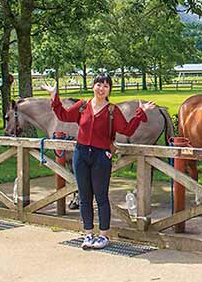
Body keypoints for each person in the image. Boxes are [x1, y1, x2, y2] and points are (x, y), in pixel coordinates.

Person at [42, 74, 155, 250]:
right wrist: (54, 96)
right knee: (84, 196)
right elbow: (63, 115)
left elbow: (127, 129)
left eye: (105, 86)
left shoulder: (112, 110)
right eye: (98, 84)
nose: (101, 88)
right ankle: (88, 234)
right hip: (81, 154)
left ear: (109, 90)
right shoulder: (83, 106)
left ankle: (103, 235)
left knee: (101, 197)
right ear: (93, 86)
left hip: (101, 156)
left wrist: (141, 113)